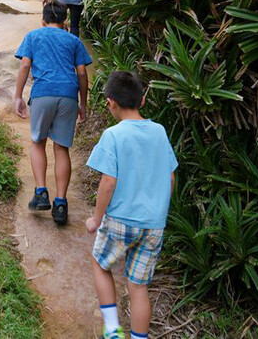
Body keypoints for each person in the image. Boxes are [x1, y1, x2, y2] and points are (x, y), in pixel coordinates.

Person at [85, 71, 178, 339]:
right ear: (144, 99)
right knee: (138, 287)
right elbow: (170, 176)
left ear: (110, 103)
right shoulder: (159, 132)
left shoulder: (114, 135)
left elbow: (109, 182)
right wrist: (159, 211)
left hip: (120, 220)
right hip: (153, 224)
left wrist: (96, 218)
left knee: (100, 264)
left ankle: (113, 328)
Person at [14, 0, 92, 225]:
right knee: (61, 148)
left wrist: (18, 96)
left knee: (38, 142)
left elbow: (25, 65)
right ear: (65, 20)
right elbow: (82, 74)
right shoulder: (73, 41)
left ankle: (41, 193)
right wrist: (83, 103)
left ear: (43, 20)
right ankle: (60, 203)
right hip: (68, 95)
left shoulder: (34, 36)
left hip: (43, 93)